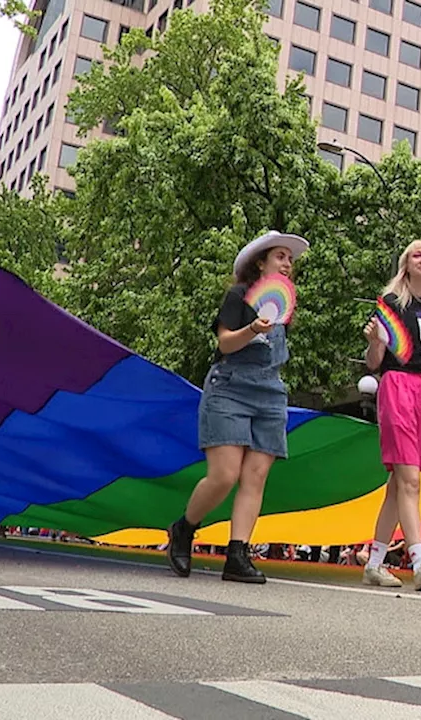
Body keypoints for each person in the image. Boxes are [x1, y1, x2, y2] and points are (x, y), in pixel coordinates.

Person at [165, 231, 309, 584]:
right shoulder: (238, 295)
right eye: (280, 256)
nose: (287, 263)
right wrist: (251, 329)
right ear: (260, 262)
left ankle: (238, 554)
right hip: (230, 386)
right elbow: (226, 344)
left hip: (270, 391)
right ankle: (184, 529)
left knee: (256, 475)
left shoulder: (284, 303)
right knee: (225, 475)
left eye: (290, 259)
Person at [358, 240, 421, 592]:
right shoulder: (392, 304)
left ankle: (374, 563)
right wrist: (373, 342)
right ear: (407, 264)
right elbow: (374, 361)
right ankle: (420, 562)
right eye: (418, 254)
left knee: (398, 485)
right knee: (410, 480)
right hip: (398, 386)